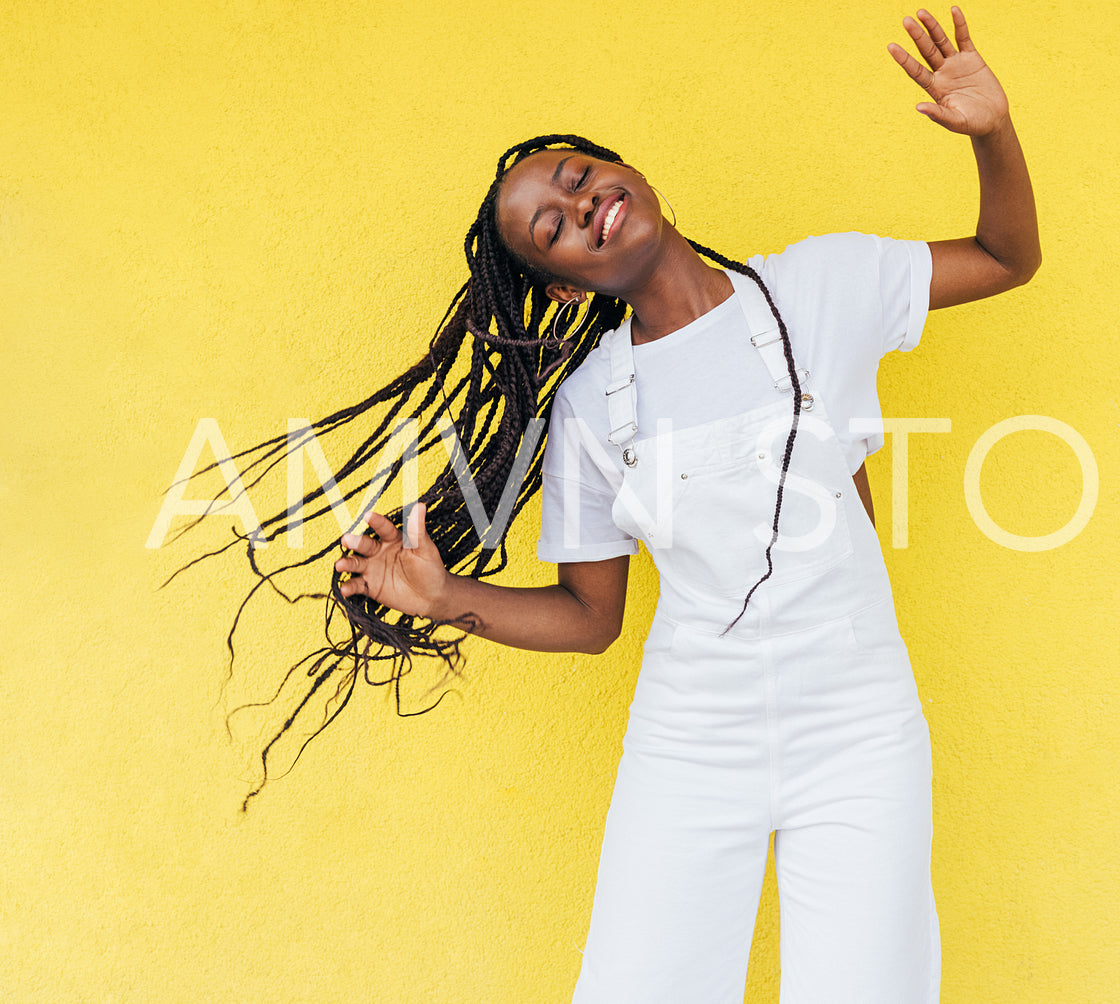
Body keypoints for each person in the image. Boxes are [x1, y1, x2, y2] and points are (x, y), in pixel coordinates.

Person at [221, 6, 1036, 1001]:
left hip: (860, 726)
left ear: (626, 171)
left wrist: (991, 133)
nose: (579, 206)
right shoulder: (594, 403)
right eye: (551, 229)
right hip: (693, 737)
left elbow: (1005, 256)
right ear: (563, 289)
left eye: (575, 178)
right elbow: (588, 617)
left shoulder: (821, 285)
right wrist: (444, 598)